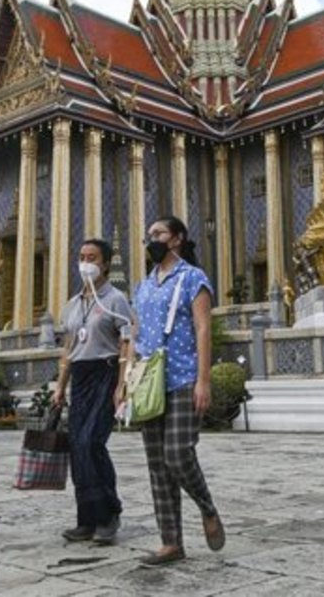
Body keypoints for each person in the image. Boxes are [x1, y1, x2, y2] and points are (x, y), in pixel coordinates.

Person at [128, 216, 224, 566]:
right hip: (149, 382)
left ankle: (207, 506)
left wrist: (204, 380)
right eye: (149, 234)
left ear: (177, 239)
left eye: (159, 234)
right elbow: (135, 335)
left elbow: (202, 330)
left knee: (178, 454)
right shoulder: (143, 286)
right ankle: (171, 542)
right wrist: (127, 380)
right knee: (157, 465)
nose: (151, 239)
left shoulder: (193, 278)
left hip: (183, 377)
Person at [53, 238, 134, 545]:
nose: (85, 261)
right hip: (81, 377)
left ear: (104, 264)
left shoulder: (115, 299)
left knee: (92, 442)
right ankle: (86, 519)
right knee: (77, 447)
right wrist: (60, 387)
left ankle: (109, 514)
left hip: (105, 372)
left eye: (92, 257)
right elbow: (69, 347)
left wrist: (121, 386)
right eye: (82, 255)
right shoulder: (73, 305)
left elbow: (127, 341)